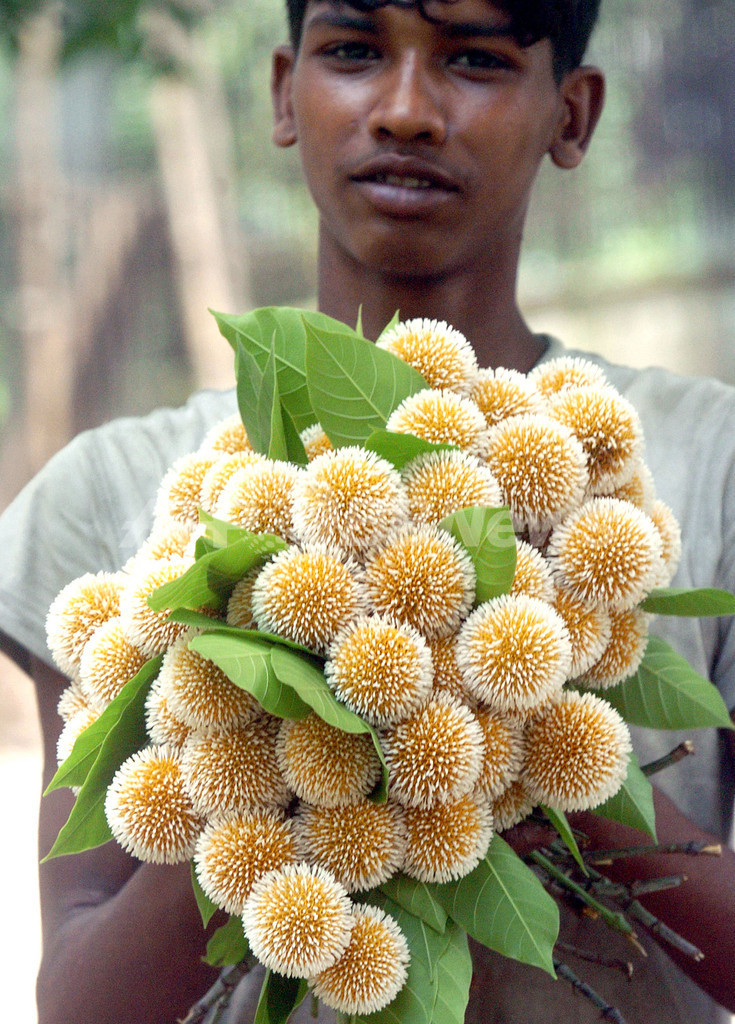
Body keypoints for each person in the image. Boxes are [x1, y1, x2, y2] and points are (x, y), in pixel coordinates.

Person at [1, 1, 734, 1022]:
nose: (404, 109)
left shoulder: (710, 464)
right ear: (281, 92)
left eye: (474, 58)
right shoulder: (107, 494)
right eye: (352, 50)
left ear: (573, 114)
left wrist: (531, 743)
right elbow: (78, 1003)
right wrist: (269, 742)